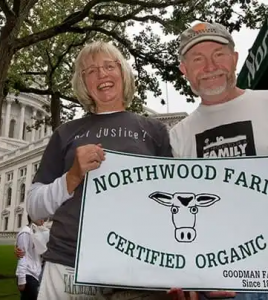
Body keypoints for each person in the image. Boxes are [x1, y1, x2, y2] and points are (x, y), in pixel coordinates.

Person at [26, 41, 173, 300]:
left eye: (109, 66)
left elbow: (173, 199)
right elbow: (35, 207)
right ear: (83, 83)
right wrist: (72, 177)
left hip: (139, 265)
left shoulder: (156, 132)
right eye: (91, 71)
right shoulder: (66, 133)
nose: (102, 74)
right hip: (69, 264)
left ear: (123, 73)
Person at [169, 21, 268, 300]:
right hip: (221, 284)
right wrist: (188, 276)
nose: (210, 66)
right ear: (184, 70)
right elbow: (179, 211)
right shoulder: (178, 137)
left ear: (234, 59)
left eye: (219, 54)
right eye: (198, 59)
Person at [15, 215, 44, 300]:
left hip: (36, 275)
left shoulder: (38, 233)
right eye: (40, 217)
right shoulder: (26, 233)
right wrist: (21, 280)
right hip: (28, 275)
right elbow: (22, 256)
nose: (43, 221)